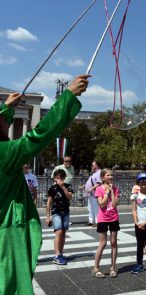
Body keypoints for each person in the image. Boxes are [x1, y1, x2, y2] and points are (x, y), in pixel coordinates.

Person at [0, 74, 89, 294]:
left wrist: (6, 108)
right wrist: (68, 96)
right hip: (5, 238)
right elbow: (40, 135)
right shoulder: (5, 153)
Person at [92, 168, 120, 278]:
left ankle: (113, 267)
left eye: (111, 175)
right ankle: (96, 268)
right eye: (108, 175)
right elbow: (102, 205)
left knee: (113, 242)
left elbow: (114, 205)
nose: (110, 177)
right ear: (103, 177)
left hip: (114, 218)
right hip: (103, 219)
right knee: (103, 243)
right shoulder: (99, 189)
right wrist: (106, 193)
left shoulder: (116, 188)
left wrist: (112, 191)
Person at [46, 169, 74, 265]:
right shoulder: (52, 188)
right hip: (56, 212)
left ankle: (60, 253)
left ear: (64, 178)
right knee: (59, 231)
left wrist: (63, 187)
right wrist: (48, 216)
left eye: (60, 178)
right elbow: (49, 203)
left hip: (65, 212)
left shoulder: (68, 186)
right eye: (56, 178)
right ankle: (57, 255)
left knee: (63, 232)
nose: (58, 180)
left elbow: (69, 197)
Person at [84, 161, 101, 226]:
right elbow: (90, 181)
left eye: (92, 165)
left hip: (94, 193)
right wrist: (84, 186)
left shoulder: (99, 173)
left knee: (96, 207)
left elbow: (99, 183)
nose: (91, 166)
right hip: (90, 193)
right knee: (90, 207)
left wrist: (91, 188)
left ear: (97, 166)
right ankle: (91, 221)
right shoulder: (94, 173)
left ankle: (97, 221)